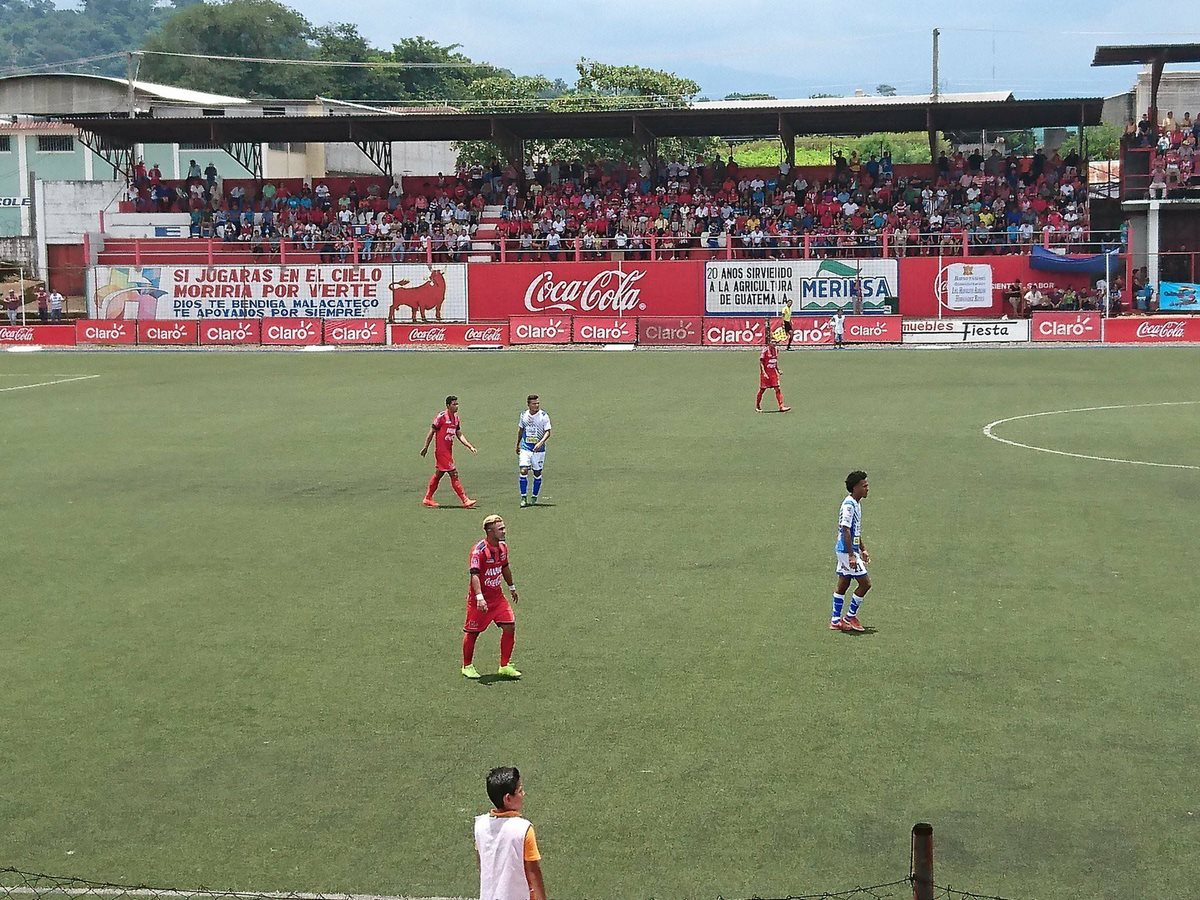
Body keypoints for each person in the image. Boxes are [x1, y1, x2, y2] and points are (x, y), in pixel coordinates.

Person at [462, 515, 521, 679]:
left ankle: (504, 665)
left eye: (504, 528)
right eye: (500, 529)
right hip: (480, 601)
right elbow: (474, 575)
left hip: (498, 598)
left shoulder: (502, 547)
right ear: (489, 531)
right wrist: (479, 597)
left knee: (509, 626)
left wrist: (511, 587)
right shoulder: (478, 551)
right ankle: (467, 666)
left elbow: (505, 567)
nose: (504, 531)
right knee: (473, 633)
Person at [474, 766, 547, 900]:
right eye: (519, 791)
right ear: (508, 798)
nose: (523, 794)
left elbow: (482, 864)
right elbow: (533, 873)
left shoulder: (480, 826)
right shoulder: (523, 830)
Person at [831, 470, 871, 633]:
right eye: (864, 486)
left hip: (847, 550)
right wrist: (851, 555)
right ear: (855, 487)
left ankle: (835, 620)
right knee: (865, 584)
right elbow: (845, 529)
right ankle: (849, 617)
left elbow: (855, 531)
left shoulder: (856, 503)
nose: (867, 488)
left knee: (844, 582)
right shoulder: (849, 505)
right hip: (846, 551)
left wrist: (863, 549)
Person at [420, 395, 478, 509]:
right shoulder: (441, 417)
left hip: (448, 451)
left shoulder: (456, 419)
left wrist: (469, 446)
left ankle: (427, 498)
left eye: (457, 404)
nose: (457, 406)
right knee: (453, 474)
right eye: (454, 404)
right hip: (441, 452)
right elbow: (432, 432)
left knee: (438, 474)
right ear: (448, 405)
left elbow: (459, 434)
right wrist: (426, 447)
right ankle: (465, 500)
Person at [516, 394, 551, 508]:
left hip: (539, 450)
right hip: (525, 447)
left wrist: (541, 442)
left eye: (537, 403)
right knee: (523, 470)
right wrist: (517, 444)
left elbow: (548, 432)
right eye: (534, 403)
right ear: (528, 404)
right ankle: (523, 497)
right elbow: (521, 430)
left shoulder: (543, 416)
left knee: (537, 473)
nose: (536, 405)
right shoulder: (523, 415)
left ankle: (534, 496)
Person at [755, 324, 790, 413]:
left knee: (777, 389)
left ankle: (781, 406)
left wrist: (778, 370)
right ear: (769, 342)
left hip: (773, 373)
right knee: (762, 390)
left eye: (775, 342)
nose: (774, 343)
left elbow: (775, 361)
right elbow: (761, 362)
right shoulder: (765, 350)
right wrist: (764, 373)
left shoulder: (776, 350)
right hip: (766, 373)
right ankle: (757, 405)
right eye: (772, 342)